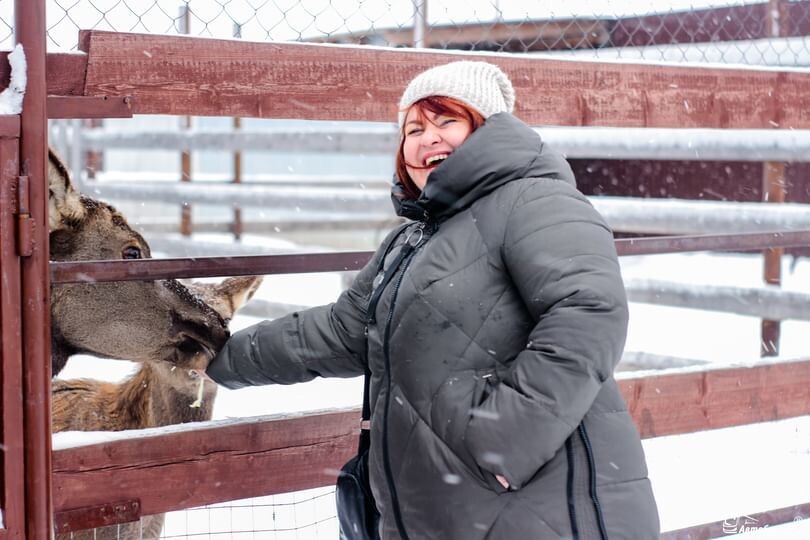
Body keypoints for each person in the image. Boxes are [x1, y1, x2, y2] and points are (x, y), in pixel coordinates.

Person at [207, 60, 660, 539]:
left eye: (447, 121)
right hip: (446, 510)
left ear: (487, 129)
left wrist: (506, 439)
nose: (427, 138)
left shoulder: (535, 201)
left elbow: (588, 315)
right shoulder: (412, 240)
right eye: (413, 128)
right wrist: (213, 355)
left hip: (536, 505)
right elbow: (343, 332)